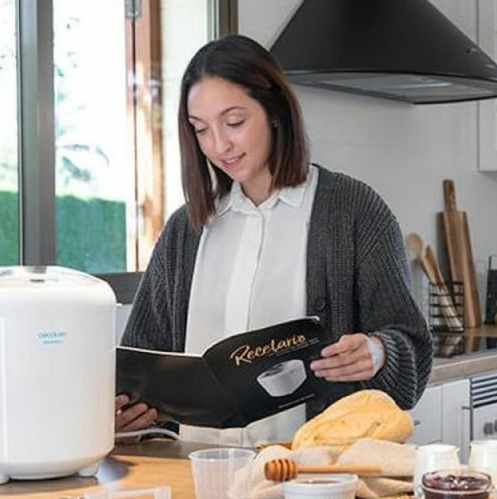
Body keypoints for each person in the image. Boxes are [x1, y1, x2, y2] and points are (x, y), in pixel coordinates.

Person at [115, 34, 432, 446]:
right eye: (201, 129)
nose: (219, 145)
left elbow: (412, 349)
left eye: (234, 122)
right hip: (195, 472)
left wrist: (378, 352)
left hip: (311, 473)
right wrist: (126, 413)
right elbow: (139, 364)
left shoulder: (354, 211)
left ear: (275, 111)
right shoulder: (185, 230)